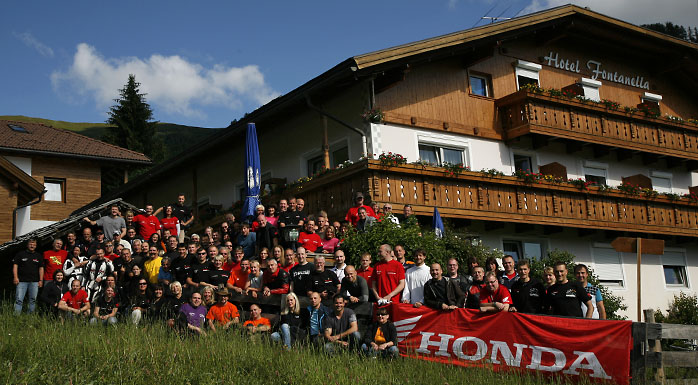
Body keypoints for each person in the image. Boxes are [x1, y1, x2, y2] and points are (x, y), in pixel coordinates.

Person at [13, 238, 44, 314]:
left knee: (32, 300)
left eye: (34, 244)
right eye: (30, 244)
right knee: (19, 299)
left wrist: (41, 280)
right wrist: (15, 277)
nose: (32, 246)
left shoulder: (38, 256)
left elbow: (41, 268)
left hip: (34, 282)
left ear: (36, 246)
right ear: (27, 245)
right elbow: (15, 266)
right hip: (21, 281)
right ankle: (16, 317)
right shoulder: (20, 254)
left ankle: (30, 316)